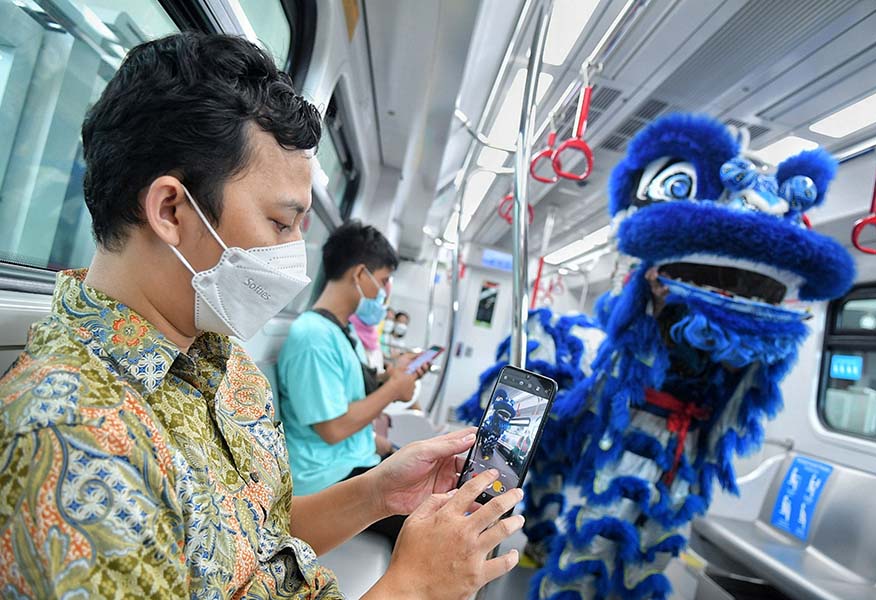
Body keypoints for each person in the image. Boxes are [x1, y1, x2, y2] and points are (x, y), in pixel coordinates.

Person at [0, 32, 522, 599]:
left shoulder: (222, 362)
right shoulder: (73, 438)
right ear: (171, 210)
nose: (295, 254)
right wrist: (414, 587)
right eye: (280, 223)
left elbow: (258, 540)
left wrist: (378, 493)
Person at [277, 222, 421, 503]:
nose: (384, 293)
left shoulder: (343, 331)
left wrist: (389, 378)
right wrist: (394, 389)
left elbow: (346, 388)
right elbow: (334, 429)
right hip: (326, 477)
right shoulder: (313, 337)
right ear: (360, 275)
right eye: (382, 281)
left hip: (353, 457)